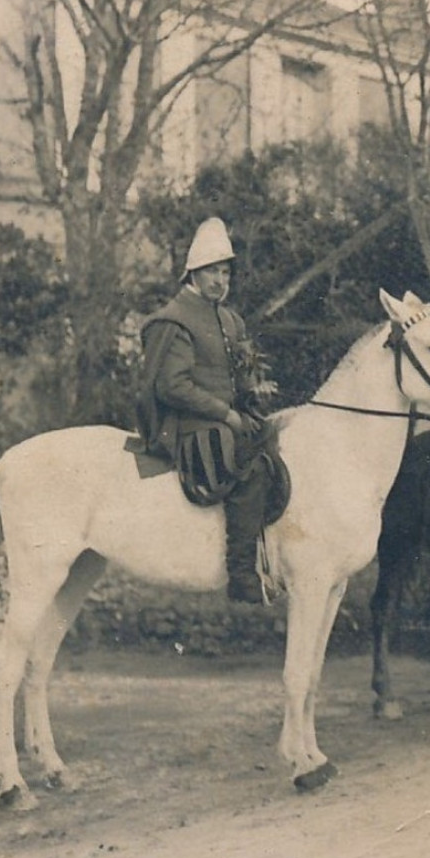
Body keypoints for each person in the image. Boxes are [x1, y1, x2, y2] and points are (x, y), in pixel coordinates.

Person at [133, 217, 275, 604]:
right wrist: (227, 414)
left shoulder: (230, 319)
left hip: (224, 421)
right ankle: (242, 574)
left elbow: (236, 376)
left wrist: (253, 394)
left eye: (225, 272)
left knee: (279, 439)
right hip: (192, 428)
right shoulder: (174, 318)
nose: (220, 280)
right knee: (252, 468)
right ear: (193, 273)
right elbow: (171, 386)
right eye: (212, 271)